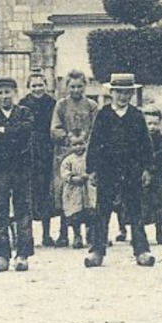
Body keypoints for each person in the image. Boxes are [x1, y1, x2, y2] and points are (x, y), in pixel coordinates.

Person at [84, 73, 155, 268]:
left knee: (135, 210)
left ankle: (141, 250)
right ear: (111, 93)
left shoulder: (136, 116)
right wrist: (92, 169)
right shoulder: (103, 115)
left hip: (132, 169)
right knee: (102, 210)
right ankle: (97, 250)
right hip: (108, 169)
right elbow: (94, 143)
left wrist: (147, 168)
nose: (123, 97)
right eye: (119, 93)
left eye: (127, 93)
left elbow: (145, 145)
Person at [0, 76, 36, 272]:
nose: (4, 96)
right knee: (0, 209)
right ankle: (2, 254)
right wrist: (11, 133)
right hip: (0, 169)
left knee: (22, 208)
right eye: (0, 93)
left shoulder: (25, 112)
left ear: (15, 93)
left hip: (21, 168)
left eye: (8, 92)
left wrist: (4, 132)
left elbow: (26, 133)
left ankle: (22, 254)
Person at [49, 70, 100, 247]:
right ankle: (65, 233)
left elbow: (97, 127)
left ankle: (91, 232)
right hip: (65, 154)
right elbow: (55, 128)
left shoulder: (92, 105)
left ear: (84, 86)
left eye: (79, 86)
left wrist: (87, 141)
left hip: (87, 153)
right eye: (72, 86)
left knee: (89, 193)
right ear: (67, 87)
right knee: (66, 193)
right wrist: (67, 138)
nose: (76, 90)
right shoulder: (61, 105)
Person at [19, 70, 60, 248]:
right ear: (28, 87)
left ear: (46, 85)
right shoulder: (23, 104)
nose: (37, 88)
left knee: (46, 191)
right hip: (28, 150)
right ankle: (28, 235)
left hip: (47, 149)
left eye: (40, 85)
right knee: (29, 191)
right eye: (34, 85)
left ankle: (46, 233)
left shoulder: (52, 103)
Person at [141, 106, 162, 245]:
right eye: (149, 123)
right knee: (141, 203)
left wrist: (150, 167)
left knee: (159, 202)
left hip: (158, 174)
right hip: (141, 174)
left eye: (155, 123)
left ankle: (159, 231)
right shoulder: (139, 139)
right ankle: (139, 233)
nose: (152, 127)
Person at [57, 135, 97, 247]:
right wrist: (72, 178)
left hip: (89, 190)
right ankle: (77, 236)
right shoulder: (68, 160)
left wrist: (90, 175)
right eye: (75, 145)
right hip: (74, 190)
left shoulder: (89, 157)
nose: (78, 147)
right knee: (76, 215)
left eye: (81, 144)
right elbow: (64, 172)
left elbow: (95, 168)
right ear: (70, 146)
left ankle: (91, 236)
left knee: (91, 213)